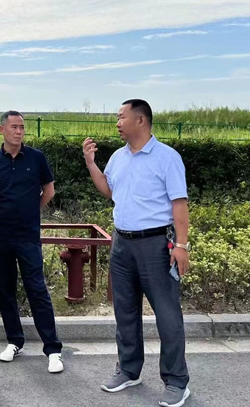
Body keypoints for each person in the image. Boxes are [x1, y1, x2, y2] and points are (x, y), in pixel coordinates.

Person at [83, 99, 191, 407]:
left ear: (141, 120)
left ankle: (176, 381)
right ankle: (129, 370)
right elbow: (109, 191)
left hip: (156, 245)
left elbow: (179, 203)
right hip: (122, 244)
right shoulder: (118, 157)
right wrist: (91, 163)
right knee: (125, 311)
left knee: (167, 314)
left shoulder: (167, 157)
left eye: (121, 117)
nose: (117, 123)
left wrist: (181, 246)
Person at [0, 110, 64, 373]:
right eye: (14, 127)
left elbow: (48, 190)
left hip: (28, 235)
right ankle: (14, 341)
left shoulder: (36, 158)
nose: (19, 131)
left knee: (37, 289)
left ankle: (53, 349)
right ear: (2, 129)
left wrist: (29, 210)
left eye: (22, 127)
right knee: (5, 290)